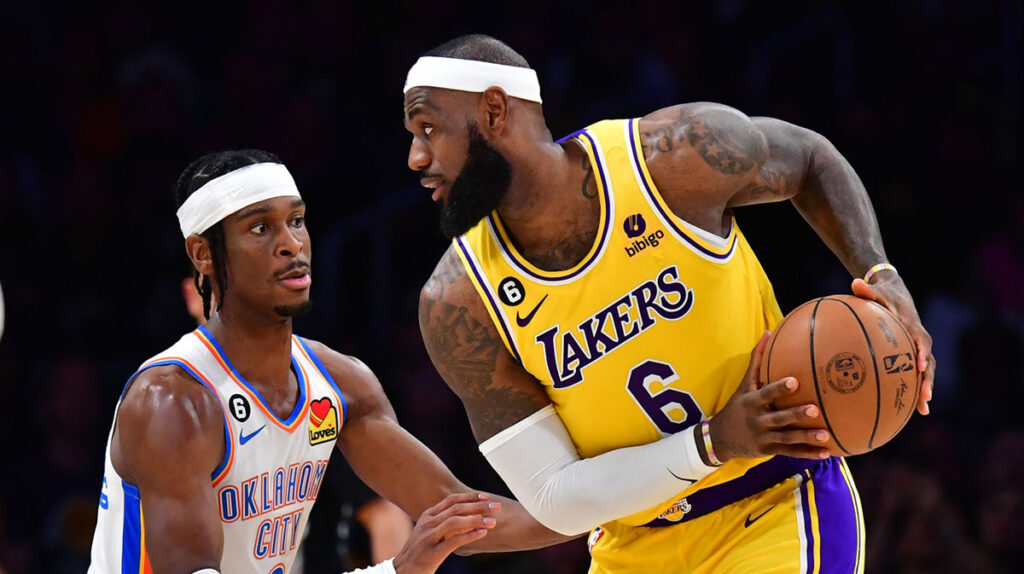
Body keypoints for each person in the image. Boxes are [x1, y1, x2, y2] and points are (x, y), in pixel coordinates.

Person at [405, 35, 936, 572]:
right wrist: (711, 443)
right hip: (631, 545)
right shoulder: (458, 303)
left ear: (494, 111)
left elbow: (810, 159)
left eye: (428, 128)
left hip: (776, 502)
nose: (416, 158)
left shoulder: (672, 159)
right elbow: (553, 496)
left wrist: (879, 273)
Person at [88, 150, 568, 574]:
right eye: (260, 228)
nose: (291, 244)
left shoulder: (341, 382)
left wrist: (597, 508)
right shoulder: (172, 403)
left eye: (296, 221)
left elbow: (457, 514)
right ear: (203, 254)